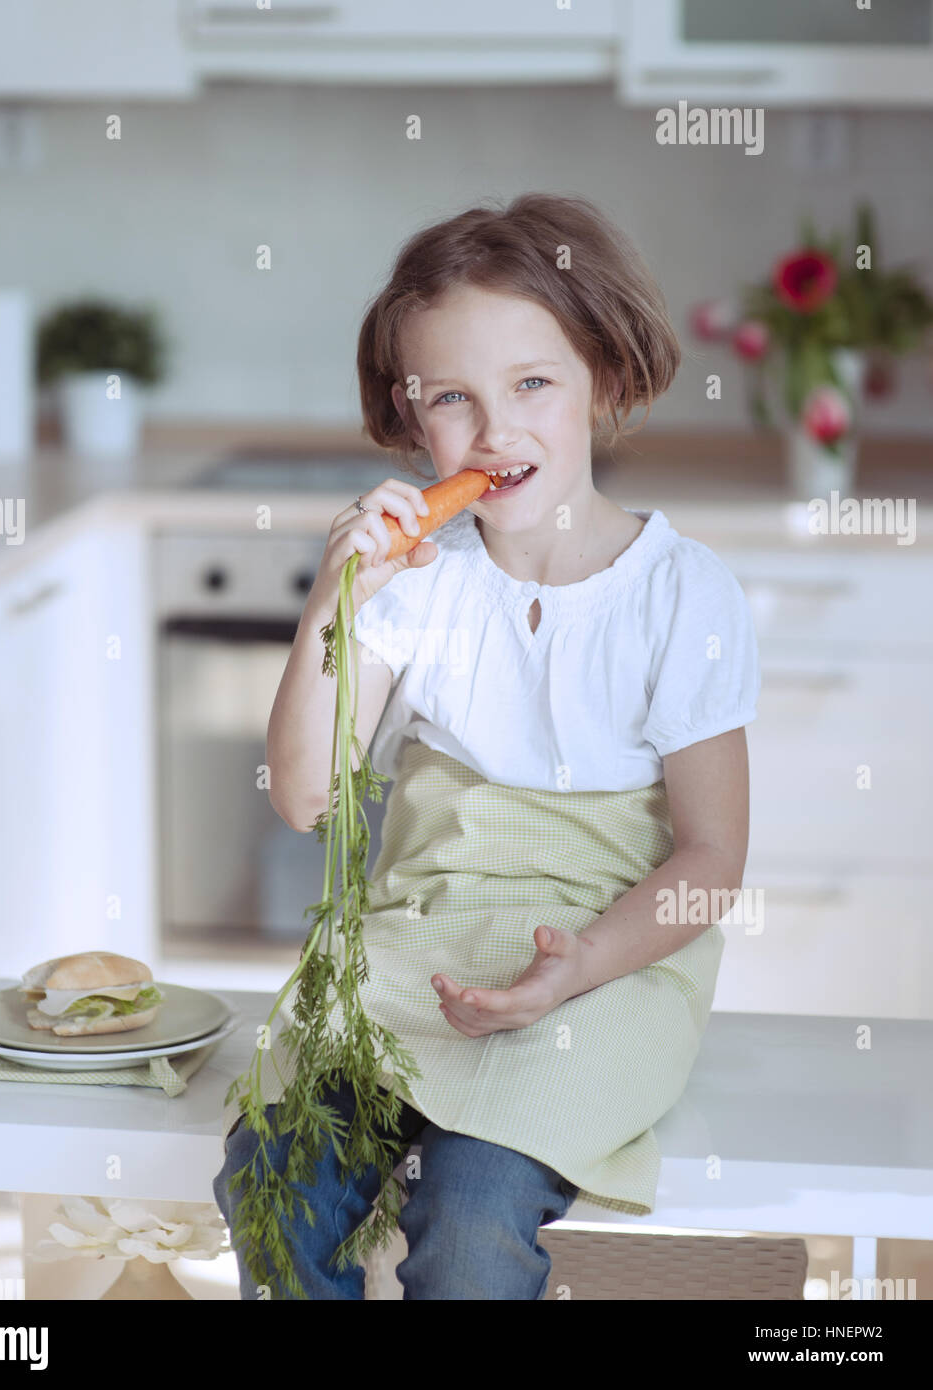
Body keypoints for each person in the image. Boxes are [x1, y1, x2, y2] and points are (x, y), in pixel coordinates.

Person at [212, 192, 760, 1300]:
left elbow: (710, 865)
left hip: (608, 964)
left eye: (531, 384)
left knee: (468, 1216)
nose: (494, 428)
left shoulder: (680, 594)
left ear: (603, 379)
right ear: (413, 424)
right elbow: (307, 799)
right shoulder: (422, 586)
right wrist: (335, 602)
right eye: (452, 397)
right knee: (275, 1174)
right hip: (420, 947)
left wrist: (581, 966)